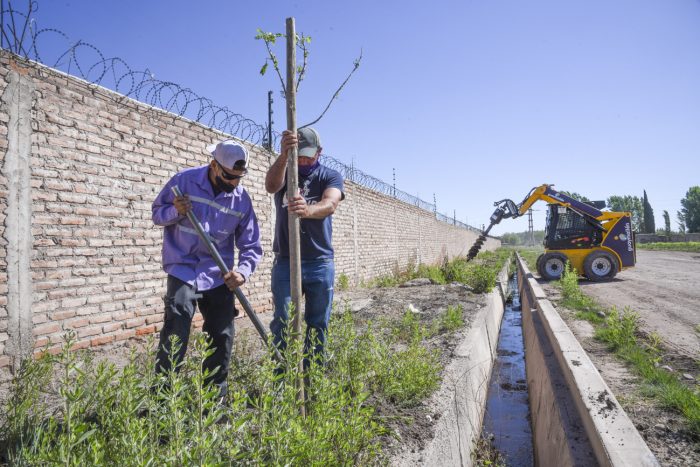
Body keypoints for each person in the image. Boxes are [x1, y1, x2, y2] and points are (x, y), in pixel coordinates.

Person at [152, 139, 262, 397]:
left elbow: (252, 245)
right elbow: (157, 213)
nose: (233, 183)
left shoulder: (241, 199)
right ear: (214, 165)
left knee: (222, 334)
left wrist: (243, 272)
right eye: (228, 176)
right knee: (176, 329)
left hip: (218, 274)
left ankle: (215, 399)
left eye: (238, 177)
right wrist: (175, 211)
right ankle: (163, 399)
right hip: (183, 269)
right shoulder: (184, 182)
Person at [265, 127, 344, 364]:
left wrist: (307, 210)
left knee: (318, 323)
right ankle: (283, 380)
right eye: (298, 155)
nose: (304, 160)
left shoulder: (330, 176)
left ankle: (313, 378)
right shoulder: (285, 173)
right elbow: (270, 186)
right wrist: (282, 156)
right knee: (283, 322)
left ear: (320, 152)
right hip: (286, 262)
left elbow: (330, 204)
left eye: (309, 155)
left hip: (320, 262)